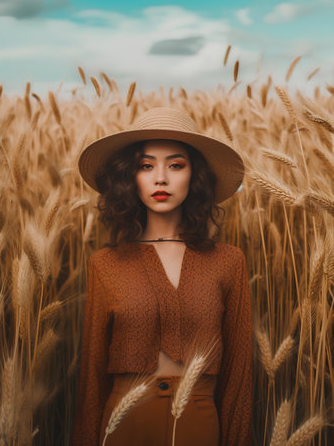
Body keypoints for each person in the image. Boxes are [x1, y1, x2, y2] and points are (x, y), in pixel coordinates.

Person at [72, 107, 252, 446]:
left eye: (175, 165)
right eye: (145, 165)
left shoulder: (228, 262)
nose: (160, 178)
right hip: (123, 423)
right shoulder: (105, 264)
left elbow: (238, 376)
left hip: (198, 422)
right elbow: (91, 379)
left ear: (195, 176)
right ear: (130, 177)